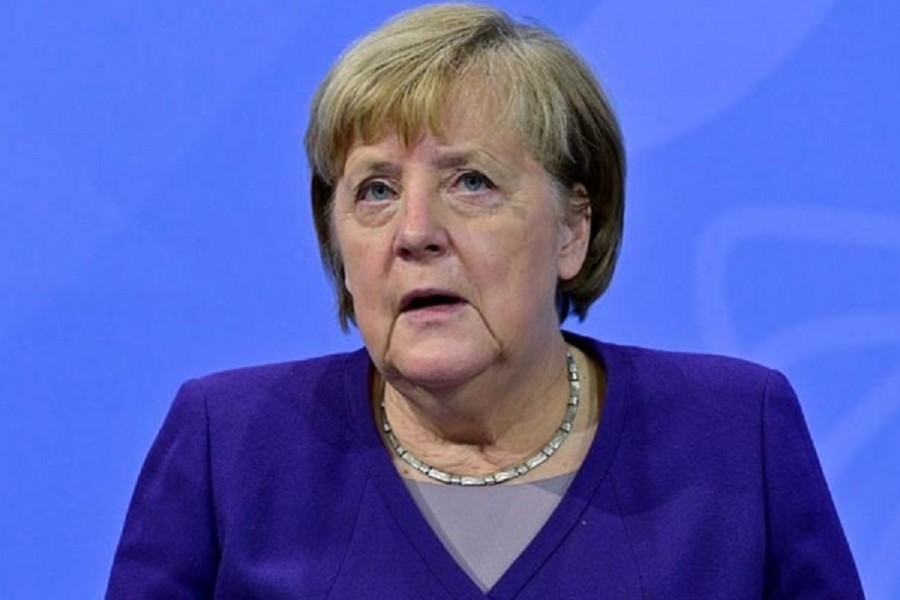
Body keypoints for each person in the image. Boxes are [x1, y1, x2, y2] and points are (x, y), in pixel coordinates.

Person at [107, 4, 863, 598]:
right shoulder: (230, 447)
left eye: (471, 181)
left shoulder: (735, 435)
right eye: (375, 190)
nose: (415, 232)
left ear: (573, 227)